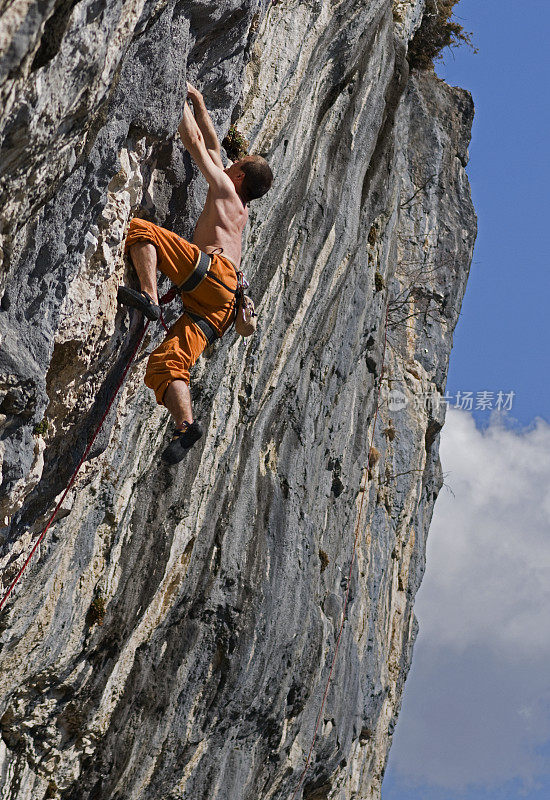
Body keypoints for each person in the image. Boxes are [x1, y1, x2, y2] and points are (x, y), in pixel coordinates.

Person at [118, 83, 273, 464]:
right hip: (223, 305)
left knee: (141, 230)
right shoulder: (239, 207)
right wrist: (201, 101)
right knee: (167, 365)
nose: (230, 162)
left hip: (214, 275)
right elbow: (215, 146)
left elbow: (196, 145)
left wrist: (175, 95)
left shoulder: (223, 186)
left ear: (237, 177)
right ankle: (186, 424)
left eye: (237, 164)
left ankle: (151, 297)